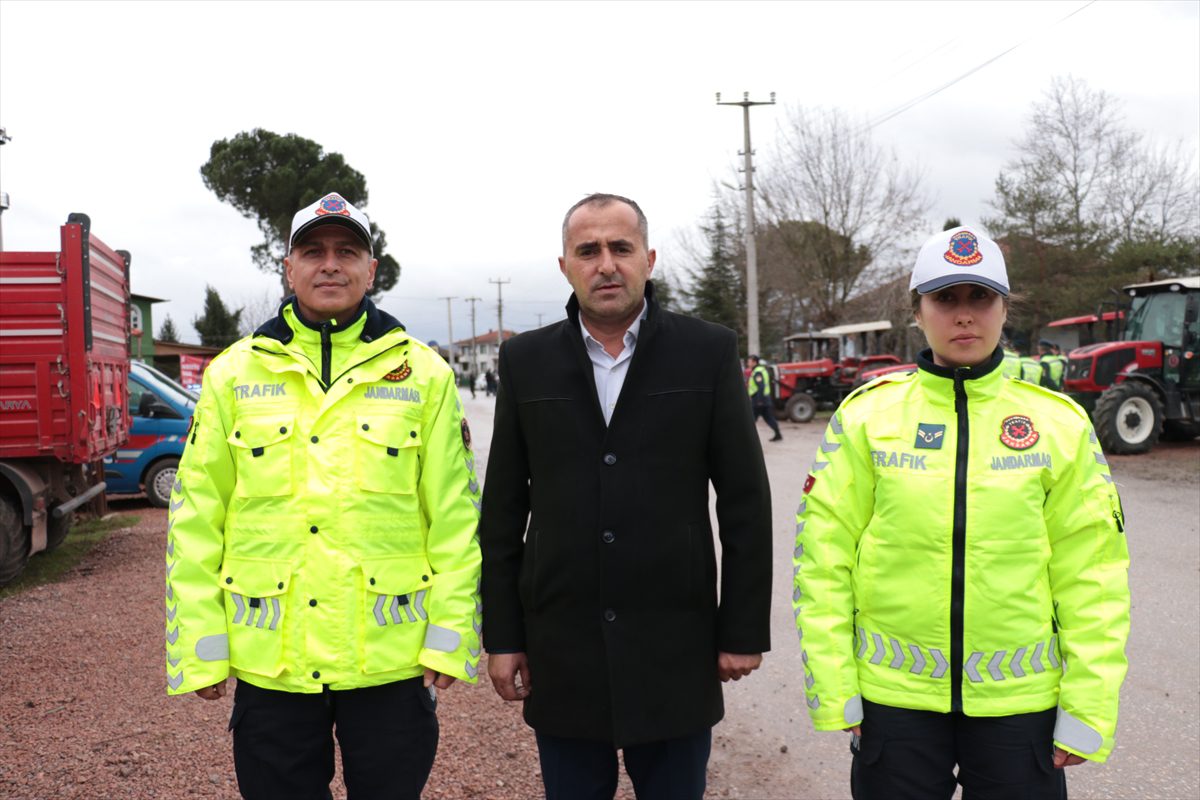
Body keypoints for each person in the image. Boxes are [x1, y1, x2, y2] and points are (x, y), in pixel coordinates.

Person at [164, 192, 483, 800]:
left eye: (347, 252)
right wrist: (201, 649)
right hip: (272, 662)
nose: (330, 265)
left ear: (372, 269)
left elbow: (456, 517)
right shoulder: (233, 375)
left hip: (389, 660)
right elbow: (196, 516)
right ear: (288, 268)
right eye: (313, 252)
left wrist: (450, 637)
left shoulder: (424, 374)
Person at [793, 226, 1130, 800]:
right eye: (945, 299)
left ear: (1004, 309)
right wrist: (833, 685)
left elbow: (1093, 574)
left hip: (1019, 706)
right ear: (918, 313)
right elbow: (822, 562)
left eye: (981, 298)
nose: (964, 316)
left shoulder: (1060, 424)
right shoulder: (865, 418)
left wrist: (1089, 705)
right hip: (894, 706)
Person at [480, 193, 773, 800]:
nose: (605, 264)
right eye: (588, 251)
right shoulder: (525, 361)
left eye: (621, 248)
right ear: (565, 266)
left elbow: (745, 501)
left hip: (676, 649)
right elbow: (504, 511)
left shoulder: (706, 351)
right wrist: (504, 636)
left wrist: (742, 629)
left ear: (649, 259)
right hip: (563, 650)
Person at [746, 354, 783, 441]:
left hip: (758, 399)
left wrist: (759, 400)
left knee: (751, 419)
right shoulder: (761, 370)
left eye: (749, 361)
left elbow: (761, 386)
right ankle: (778, 434)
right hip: (765, 399)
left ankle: (746, 438)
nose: (748, 363)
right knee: (768, 417)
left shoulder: (758, 372)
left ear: (754, 362)